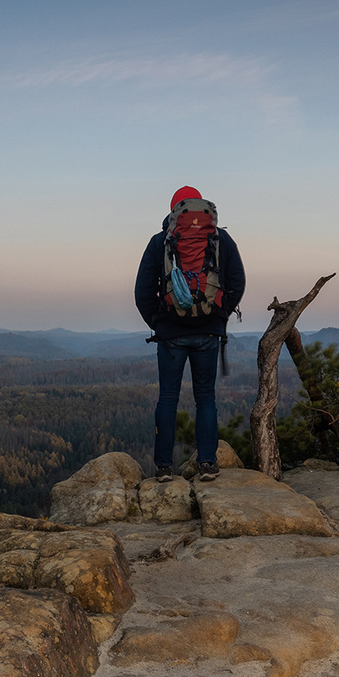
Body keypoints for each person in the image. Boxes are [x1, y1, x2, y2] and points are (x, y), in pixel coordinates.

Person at [134, 185, 246, 482]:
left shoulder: (161, 242)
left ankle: (163, 468)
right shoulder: (221, 239)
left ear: (174, 211)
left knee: (168, 398)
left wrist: (159, 323)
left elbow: (143, 292)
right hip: (208, 333)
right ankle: (207, 464)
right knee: (205, 398)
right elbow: (237, 282)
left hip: (170, 333)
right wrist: (219, 315)